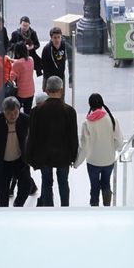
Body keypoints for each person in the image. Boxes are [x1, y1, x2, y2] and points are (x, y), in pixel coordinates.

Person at [26, 76, 78, 206]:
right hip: (64, 155)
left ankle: (48, 209)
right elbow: (73, 137)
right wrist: (73, 155)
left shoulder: (36, 111)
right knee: (63, 182)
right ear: (61, 89)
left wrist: (29, 157)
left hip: (44, 155)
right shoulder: (69, 111)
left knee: (46, 182)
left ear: (47, 90)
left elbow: (32, 136)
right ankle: (65, 207)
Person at [0, 97, 35, 207]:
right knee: (2, 194)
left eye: (16, 112)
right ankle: (4, 215)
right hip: (1, 164)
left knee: (26, 185)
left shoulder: (25, 120)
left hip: (20, 161)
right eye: (9, 113)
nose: (13, 116)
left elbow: (33, 139)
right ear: (4, 112)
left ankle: (17, 206)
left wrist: (32, 157)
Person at [76, 93, 122, 206]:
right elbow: (119, 141)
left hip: (93, 161)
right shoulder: (112, 119)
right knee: (106, 184)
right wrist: (112, 149)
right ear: (102, 104)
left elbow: (84, 147)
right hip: (108, 160)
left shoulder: (87, 123)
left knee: (94, 186)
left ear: (90, 105)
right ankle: (107, 208)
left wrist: (77, 162)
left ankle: (94, 209)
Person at [9, 42, 37, 113]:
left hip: (21, 93)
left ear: (17, 52)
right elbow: (23, 63)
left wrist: (11, 66)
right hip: (31, 91)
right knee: (27, 112)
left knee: (16, 111)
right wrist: (13, 61)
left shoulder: (17, 64)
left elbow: (11, 78)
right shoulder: (31, 59)